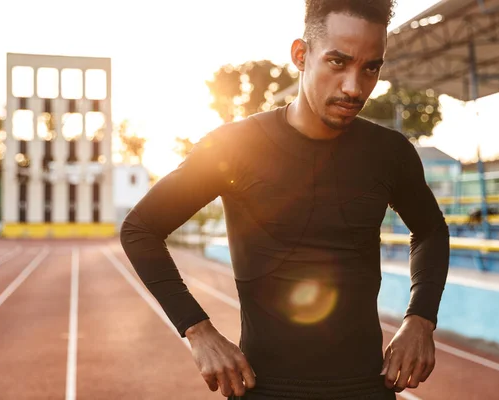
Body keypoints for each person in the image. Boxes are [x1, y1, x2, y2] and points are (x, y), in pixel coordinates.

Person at [120, 0, 450, 398]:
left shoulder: (390, 153)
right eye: (337, 62)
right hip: (265, 388)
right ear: (301, 55)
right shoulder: (236, 146)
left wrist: (420, 318)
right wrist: (197, 330)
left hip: (366, 387)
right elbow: (141, 228)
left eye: (370, 67)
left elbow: (430, 230)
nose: (353, 86)